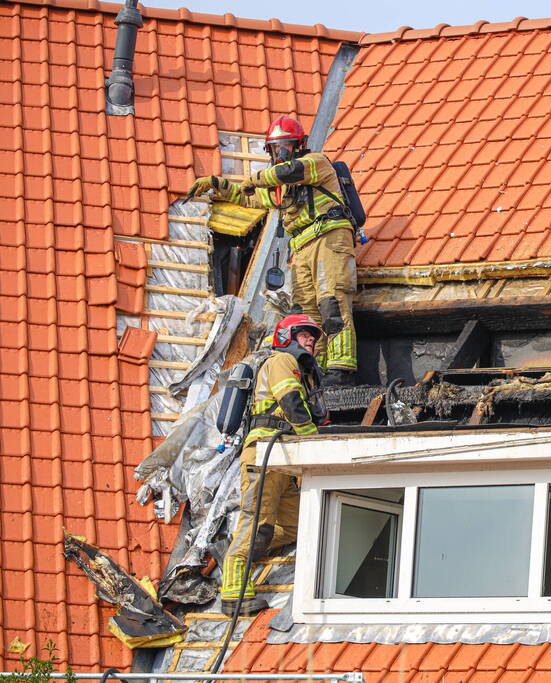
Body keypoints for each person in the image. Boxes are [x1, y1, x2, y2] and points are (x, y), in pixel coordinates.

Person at [189, 116, 358, 386]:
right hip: (302, 245)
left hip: (329, 237)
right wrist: (218, 184)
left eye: (284, 148)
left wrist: (254, 179)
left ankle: (341, 370)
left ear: (298, 146)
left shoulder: (315, 163)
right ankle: (318, 369)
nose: (279, 155)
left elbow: (282, 173)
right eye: (275, 149)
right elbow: (248, 197)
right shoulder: (281, 190)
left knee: (332, 302)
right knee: (305, 313)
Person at [218, 313, 326, 616]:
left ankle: (238, 546)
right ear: (287, 337)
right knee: (257, 523)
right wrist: (315, 443)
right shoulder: (281, 361)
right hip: (264, 453)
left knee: (295, 525)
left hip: (285, 457)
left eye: (314, 338)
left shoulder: (303, 373)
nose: (311, 341)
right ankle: (234, 590)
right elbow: (291, 403)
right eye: (305, 335)